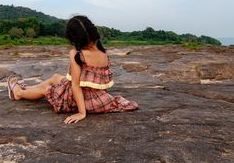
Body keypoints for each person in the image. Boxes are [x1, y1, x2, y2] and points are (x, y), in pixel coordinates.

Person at [7, 15, 138, 124]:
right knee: (56, 78)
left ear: (73, 38)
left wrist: (82, 113)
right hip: (97, 96)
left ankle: (18, 93)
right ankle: (29, 89)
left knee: (47, 90)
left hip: (81, 99)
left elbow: (75, 85)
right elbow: (95, 83)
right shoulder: (104, 53)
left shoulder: (77, 54)